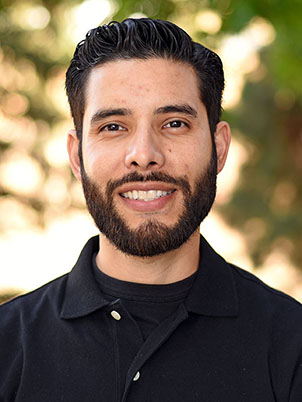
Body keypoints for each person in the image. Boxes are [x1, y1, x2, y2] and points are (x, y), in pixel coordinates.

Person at [0, 18, 301, 402]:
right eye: (113, 126)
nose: (144, 155)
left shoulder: (292, 346)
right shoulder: (8, 346)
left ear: (219, 147)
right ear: (77, 155)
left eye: (174, 123)